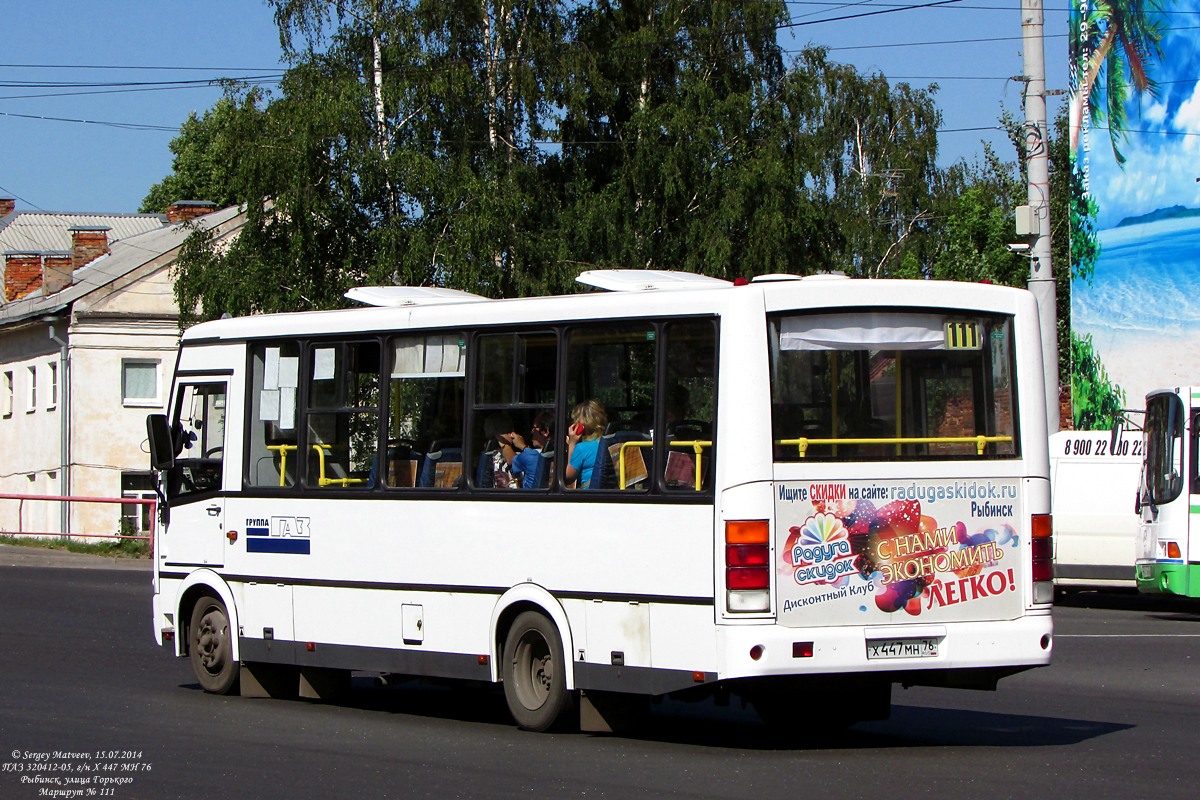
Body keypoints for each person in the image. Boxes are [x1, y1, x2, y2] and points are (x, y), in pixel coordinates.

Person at [504, 411, 554, 489]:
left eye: (534, 428)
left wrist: (503, 439)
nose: (532, 432)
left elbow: (511, 460)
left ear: (545, 432)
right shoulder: (562, 454)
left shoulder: (530, 456)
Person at [565, 399, 607, 489]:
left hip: (589, 496)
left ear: (580, 426)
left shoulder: (581, 448)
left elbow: (568, 477)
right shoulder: (610, 443)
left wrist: (572, 444)